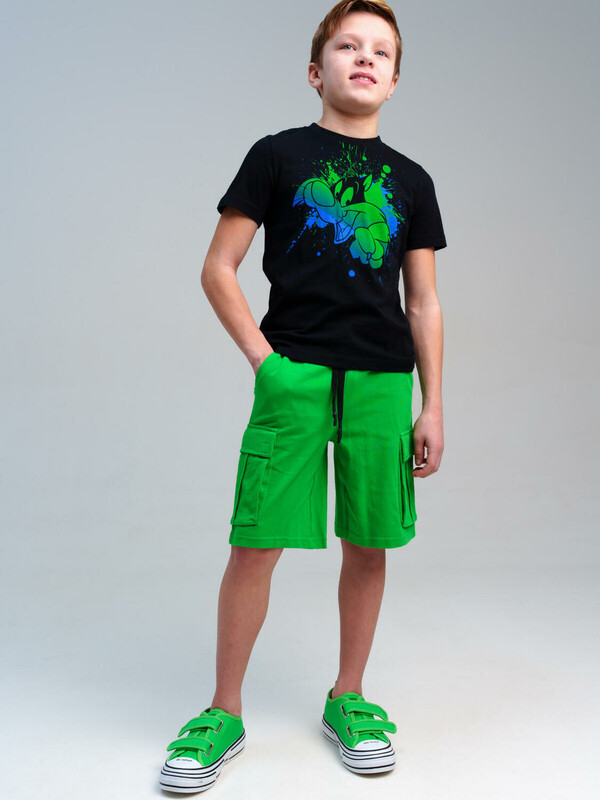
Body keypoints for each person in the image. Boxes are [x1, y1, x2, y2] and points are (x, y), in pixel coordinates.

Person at [159, 0, 447, 792]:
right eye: (348, 46)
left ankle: (348, 696)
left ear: (395, 79)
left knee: (369, 541)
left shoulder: (413, 181)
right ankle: (223, 711)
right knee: (256, 542)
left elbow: (423, 300)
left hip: (383, 382)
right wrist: (266, 363)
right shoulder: (277, 155)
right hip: (294, 374)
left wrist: (433, 402)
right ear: (316, 72)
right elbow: (218, 267)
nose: (365, 57)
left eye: (381, 50)